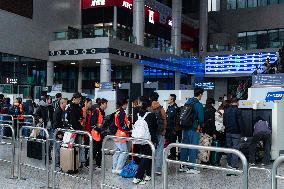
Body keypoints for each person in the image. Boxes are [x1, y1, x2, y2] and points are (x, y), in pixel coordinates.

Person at [133, 97, 158, 185]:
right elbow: (155, 128)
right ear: (148, 105)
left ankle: (148, 174)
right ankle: (138, 177)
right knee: (146, 158)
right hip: (149, 140)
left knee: (146, 157)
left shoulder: (137, 114)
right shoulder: (151, 115)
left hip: (139, 139)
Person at [179, 88, 204, 174]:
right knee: (193, 147)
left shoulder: (187, 102)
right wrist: (201, 125)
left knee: (184, 146)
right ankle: (191, 167)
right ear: (200, 94)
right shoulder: (198, 105)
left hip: (185, 128)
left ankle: (182, 166)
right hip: (194, 129)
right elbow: (201, 119)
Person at [149, 92, 166, 175]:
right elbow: (164, 120)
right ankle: (158, 169)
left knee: (151, 149)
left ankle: (150, 167)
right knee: (159, 150)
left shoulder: (149, 108)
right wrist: (164, 130)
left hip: (151, 132)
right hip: (160, 131)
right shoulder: (161, 108)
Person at [112, 98, 131, 174]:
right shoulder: (122, 113)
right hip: (121, 134)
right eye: (126, 104)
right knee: (124, 151)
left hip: (116, 134)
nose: (127, 105)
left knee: (117, 152)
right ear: (124, 104)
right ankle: (119, 168)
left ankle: (114, 168)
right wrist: (128, 129)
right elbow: (121, 124)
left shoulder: (117, 111)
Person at [223, 98, 243, 169]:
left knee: (229, 148)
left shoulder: (226, 110)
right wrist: (242, 132)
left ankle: (229, 163)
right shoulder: (238, 111)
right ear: (237, 102)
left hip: (228, 132)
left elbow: (224, 122)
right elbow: (240, 123)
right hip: (236, 132)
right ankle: (234, 165)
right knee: (235, 149)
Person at [90, 98, 108, 169]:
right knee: (94, 150)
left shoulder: (102, 112)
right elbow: (93, 124)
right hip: (96, 134)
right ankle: (88, 164)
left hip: (100, 134)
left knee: (100, 150)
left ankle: (98, 164)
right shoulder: (96, 111)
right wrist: (100, 129)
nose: (107, 106)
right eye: (106, 104)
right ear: (102, 104)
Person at [52, 98, 68, 167]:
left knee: (60, 148)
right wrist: (58, 133)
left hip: (62, 131)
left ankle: (60, 162)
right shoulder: (58, 111)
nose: (66, 104)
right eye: (65, 103)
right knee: (57, 149)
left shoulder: (63, 111)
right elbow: (55, 123)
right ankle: (56, 164)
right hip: (58, 133)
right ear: (62, 103)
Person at [165, 94, 180, 160]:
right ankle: (170, 154)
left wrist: (175, 130)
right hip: (168, 128)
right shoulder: (169, 107)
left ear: (172, 99)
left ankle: (173, 155)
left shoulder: (175, 108)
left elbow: (176, 120)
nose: (168, 100)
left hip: (172, 129)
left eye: (169, 98)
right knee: (168, 142)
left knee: (172, 142)